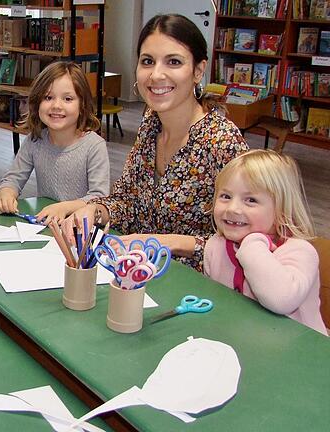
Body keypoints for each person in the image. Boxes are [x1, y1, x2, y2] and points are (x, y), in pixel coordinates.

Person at [63, 14, 249, 271]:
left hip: (201, 286)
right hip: (141, 274)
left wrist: (165, 242)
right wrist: (95, 211)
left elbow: (246, 243)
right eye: (147, 61)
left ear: (198, 70)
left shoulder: (222, 141)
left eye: (173, 62)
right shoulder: (151, 123)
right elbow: (129, 202)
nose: (156, 74)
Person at [204, 150, 327, 336]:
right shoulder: (216, 246)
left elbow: (281, 300)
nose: (232, 208)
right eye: (225, 196)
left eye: (251, 200)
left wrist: (253, 243)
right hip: (244, 342)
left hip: (299, 356)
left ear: (281, 210)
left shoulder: (301, 252)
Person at [0, 61, 109, 225]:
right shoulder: (34, 141)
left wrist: (64, 208)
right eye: (48, 97)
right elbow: (12, 179)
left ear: (82, 105)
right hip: (47, 226)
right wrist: (7, 194)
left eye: (68, 99)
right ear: (37, 102)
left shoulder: (94, 146)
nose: (56, 105)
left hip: (81, 232)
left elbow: (98, 198)